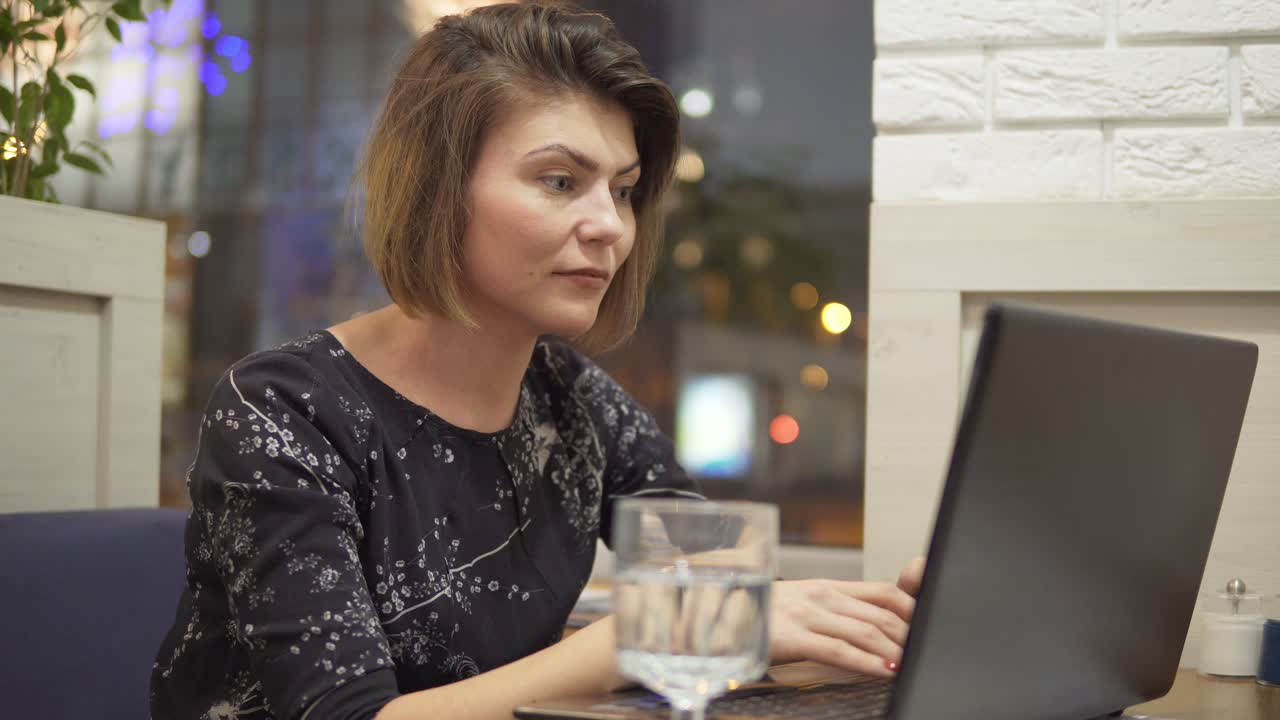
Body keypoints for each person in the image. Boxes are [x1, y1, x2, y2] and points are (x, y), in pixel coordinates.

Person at [150, 4, 925, 719]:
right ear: (438, 189)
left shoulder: (572, 400)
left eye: (622, 191)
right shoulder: (281, 413)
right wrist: (632, 639)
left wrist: (884, 628)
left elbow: (718, 601)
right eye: (560, 181)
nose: (609, 228)